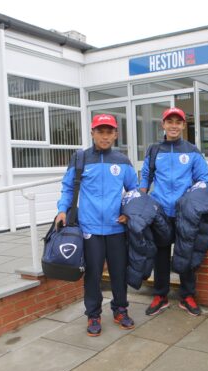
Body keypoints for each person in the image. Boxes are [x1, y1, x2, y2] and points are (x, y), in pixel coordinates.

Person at [55, 114, 138, 336]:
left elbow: (134, 191)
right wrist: (62, 210)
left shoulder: (122, 161)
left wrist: (128, 212)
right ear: (92, 133)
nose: (105, 136)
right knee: (93, 274)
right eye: (100, 131)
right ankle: (93, 314)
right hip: (89, 228)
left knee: (119, 273)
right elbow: (68, 188)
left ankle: (120, 309)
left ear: (116, 134)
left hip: (116, 228)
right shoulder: (80, 159)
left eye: (109, 132)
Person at [139, 107, 208, 317]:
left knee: (185, 254)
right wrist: (141, 202)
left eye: (178, 122)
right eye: (169, 121)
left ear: (183, 125)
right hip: (160, 211)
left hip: (184, 213)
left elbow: (203, 179)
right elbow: (145, 178)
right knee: (160, 255)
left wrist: (191, 200)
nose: (173, 126)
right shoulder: (154, 150)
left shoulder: (192, 150)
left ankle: (187, 296)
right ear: (163, 124)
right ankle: (160, 295)